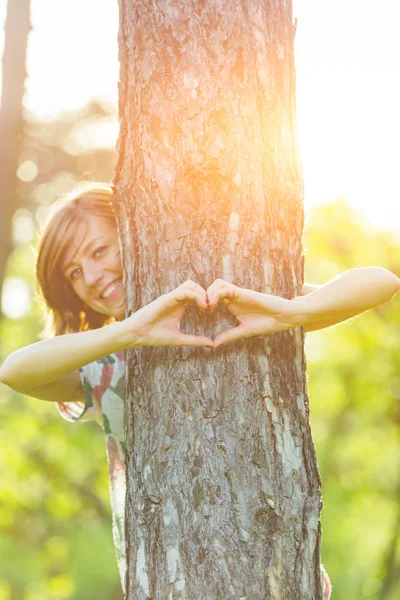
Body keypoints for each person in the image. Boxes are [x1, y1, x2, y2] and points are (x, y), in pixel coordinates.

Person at [1, 184, 399, 598]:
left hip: (272, 571)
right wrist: (130, 332)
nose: (91, 277)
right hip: (168, 581)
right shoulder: (106, 366)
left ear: (134, 232)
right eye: (74, 272)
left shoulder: (231, 308)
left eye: (99, 251)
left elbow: (382, 281)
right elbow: (14, 372)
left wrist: (290, 312)